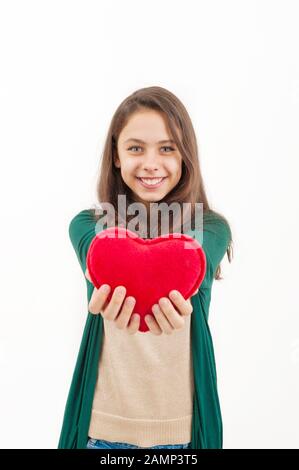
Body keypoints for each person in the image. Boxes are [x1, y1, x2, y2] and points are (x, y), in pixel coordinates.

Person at [58, 86, 233, 450]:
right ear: (117, 155)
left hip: (183, 435)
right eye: (136, 147)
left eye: (167, 148)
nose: (151, 163)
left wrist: (162, 286)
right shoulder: (88, 226)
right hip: (101, 432)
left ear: (185, 157)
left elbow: (193, 264)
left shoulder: (212, 229)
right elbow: (101, 257)